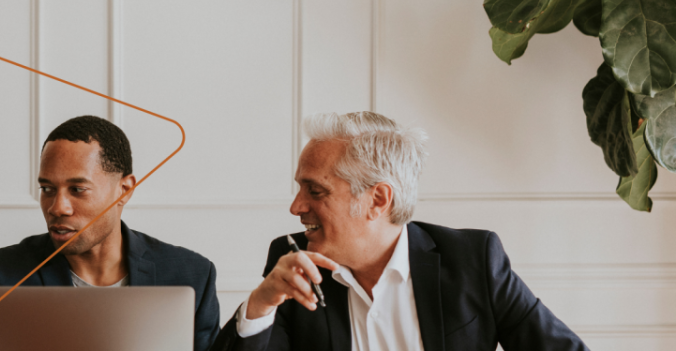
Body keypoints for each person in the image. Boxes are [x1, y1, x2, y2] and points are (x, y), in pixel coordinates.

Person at [210, 112, 589, 351]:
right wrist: (260, 305)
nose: (296, 207)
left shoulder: (472, 259)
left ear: (378, 200)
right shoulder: (293, 264)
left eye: (316, 190)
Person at [0, 115, 221, 351]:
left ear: (124, 190)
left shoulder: (192, 274)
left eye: (77, 190)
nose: (57, 207)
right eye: (47, 189)